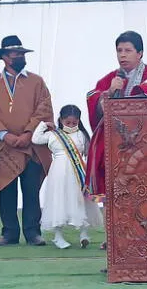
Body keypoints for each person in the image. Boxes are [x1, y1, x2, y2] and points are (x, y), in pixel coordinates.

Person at [85, 30, 147, 251]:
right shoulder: (109, 80)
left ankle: (146, 232)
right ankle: (113, 235)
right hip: (115, 146)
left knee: (143, 191)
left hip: (146, 147)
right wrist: (109, 93)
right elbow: (92, 98)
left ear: (140, 53)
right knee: (115, 191)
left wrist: (131, 91)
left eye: (128, 50)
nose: (122, 55)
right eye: (119, 50)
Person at [0, 35, 53, 246]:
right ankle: (9, 232)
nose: (20, 56)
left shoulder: (37, 82)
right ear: (4, 57)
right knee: (6, 189)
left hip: (31, 145)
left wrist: (28, 134)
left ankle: (32, 232)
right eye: (15, 53)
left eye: (21, 53)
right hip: (3, 146)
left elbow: (44, 109)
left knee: (31, 190)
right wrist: (5, 135)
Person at [31, 105, 104, 249]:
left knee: (81, 200)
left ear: (78, 121)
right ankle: (58, 236)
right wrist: (44, 125)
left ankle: (84, 233)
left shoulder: (82, 135)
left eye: (74, 123)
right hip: (58, 173)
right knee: (59, 201)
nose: (71, 125)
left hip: (78, 173)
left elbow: (88, 154)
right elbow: (36, 139)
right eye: (67, 122)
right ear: (61, 120)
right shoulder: (53, 134)